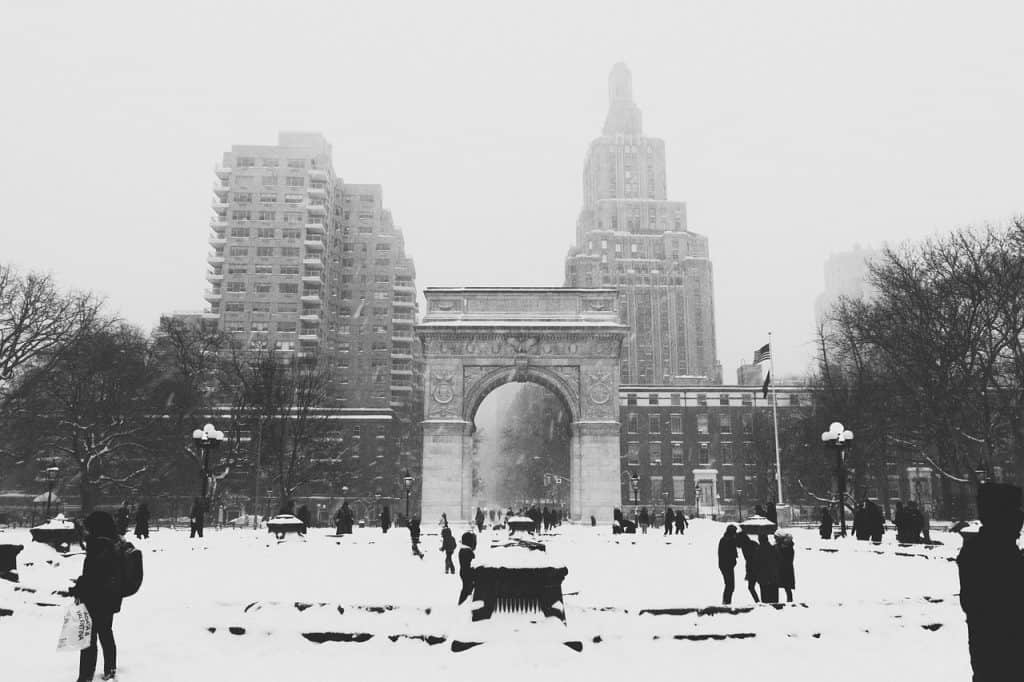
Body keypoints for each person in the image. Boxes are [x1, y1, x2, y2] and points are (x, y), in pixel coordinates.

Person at [958, 483, 1024, 681]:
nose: (1020, 520)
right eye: (1015, 512)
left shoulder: (985, 551)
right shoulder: (989, 555)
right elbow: (1001, 608)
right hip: (1002, 660)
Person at [70, 511, 123, 682]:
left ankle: (85, 677)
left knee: (88, 640)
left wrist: (78, 587)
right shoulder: (114, 542)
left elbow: (93, 576)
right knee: (106, 633)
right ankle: (110, 669)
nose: (87, 530)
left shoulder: (98, 545)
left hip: (96, 599)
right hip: (111, 597)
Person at [756, 534, 780, 604]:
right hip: (774, 576)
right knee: (774, 599)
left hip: (763, 577)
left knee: (765, 599)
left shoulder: (758, 550)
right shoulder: (773, 549)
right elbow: (778, 560)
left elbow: (756, 564)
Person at [718, 525, 738, 604]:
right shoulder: (727, 540)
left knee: (729, 585)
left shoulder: (726, 539)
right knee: (730, 585)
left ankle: (726, 601)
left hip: (726, 566)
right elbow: (728, 554)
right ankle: (726, 602)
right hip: (727, 566)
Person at [738, 531, 760, 603]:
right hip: (758, 567)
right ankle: (760, 601)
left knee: (751, 587)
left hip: (751, 568)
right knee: (760, 585)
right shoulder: (753, 543)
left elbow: (749, 558)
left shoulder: (745, 547)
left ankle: (758, 601)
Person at [457, 531, 477, 605]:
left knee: (467, 589)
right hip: (467, 573)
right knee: (467, 589)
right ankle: (462, 603)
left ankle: (463, 603)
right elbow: (471, 562)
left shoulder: (463, 550)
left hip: (464, 572)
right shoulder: (467, 551)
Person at [776, 532, 795, 603]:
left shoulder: (787, 548)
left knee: (787, 586)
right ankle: (789, 600)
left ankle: (789, 601)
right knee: (786, 587)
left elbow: (786, 559)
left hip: (785, 569)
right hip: (785, 569)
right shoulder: (784, 547)